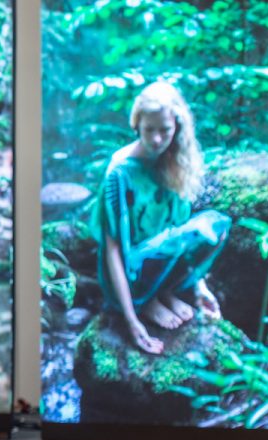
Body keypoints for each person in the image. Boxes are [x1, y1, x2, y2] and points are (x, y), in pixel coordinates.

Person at [93, 81, 228, 355]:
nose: (156, 139)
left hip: (164, 257)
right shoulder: (120, 172)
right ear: (137, 125)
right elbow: (113, 249)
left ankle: (165, 292)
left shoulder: (175, 161)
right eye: (149, 130)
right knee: (186, 236)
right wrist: (131, 319)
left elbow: (179, 228)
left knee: (214, 227)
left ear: (177, 127)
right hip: (130, 268)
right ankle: (146, 301)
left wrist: (199, 287)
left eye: (164, 130)